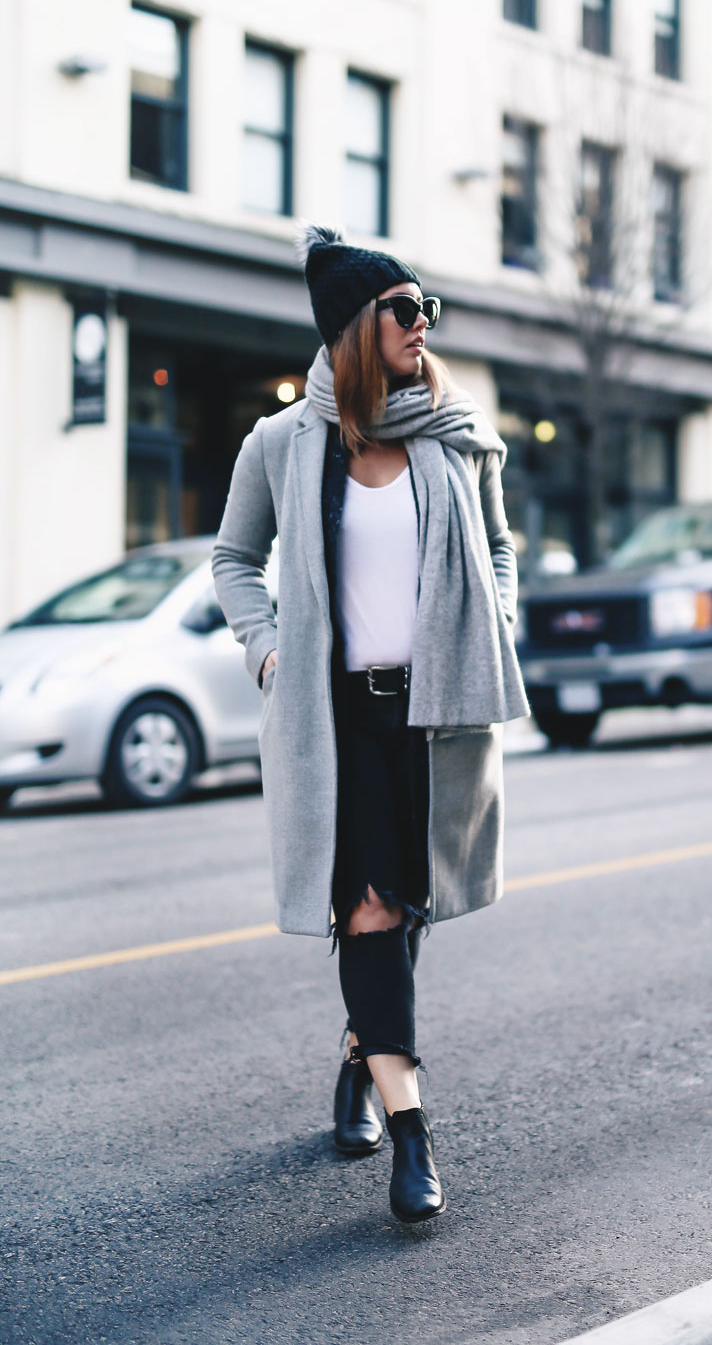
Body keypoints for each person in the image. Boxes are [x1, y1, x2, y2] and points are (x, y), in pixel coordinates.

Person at [212, 227, 529, 1224]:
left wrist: (495, 623)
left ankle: (361, 1060)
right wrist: (267, 652)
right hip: (334, 720)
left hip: (433, 714)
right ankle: (412, 1133)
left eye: (426, 305)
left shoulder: (452, 435)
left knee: (409, 904)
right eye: (404, 306)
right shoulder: (283, 446)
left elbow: (500, 550)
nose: (421, 321)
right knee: (369, 911)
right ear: (356, 326)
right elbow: (232, 560)